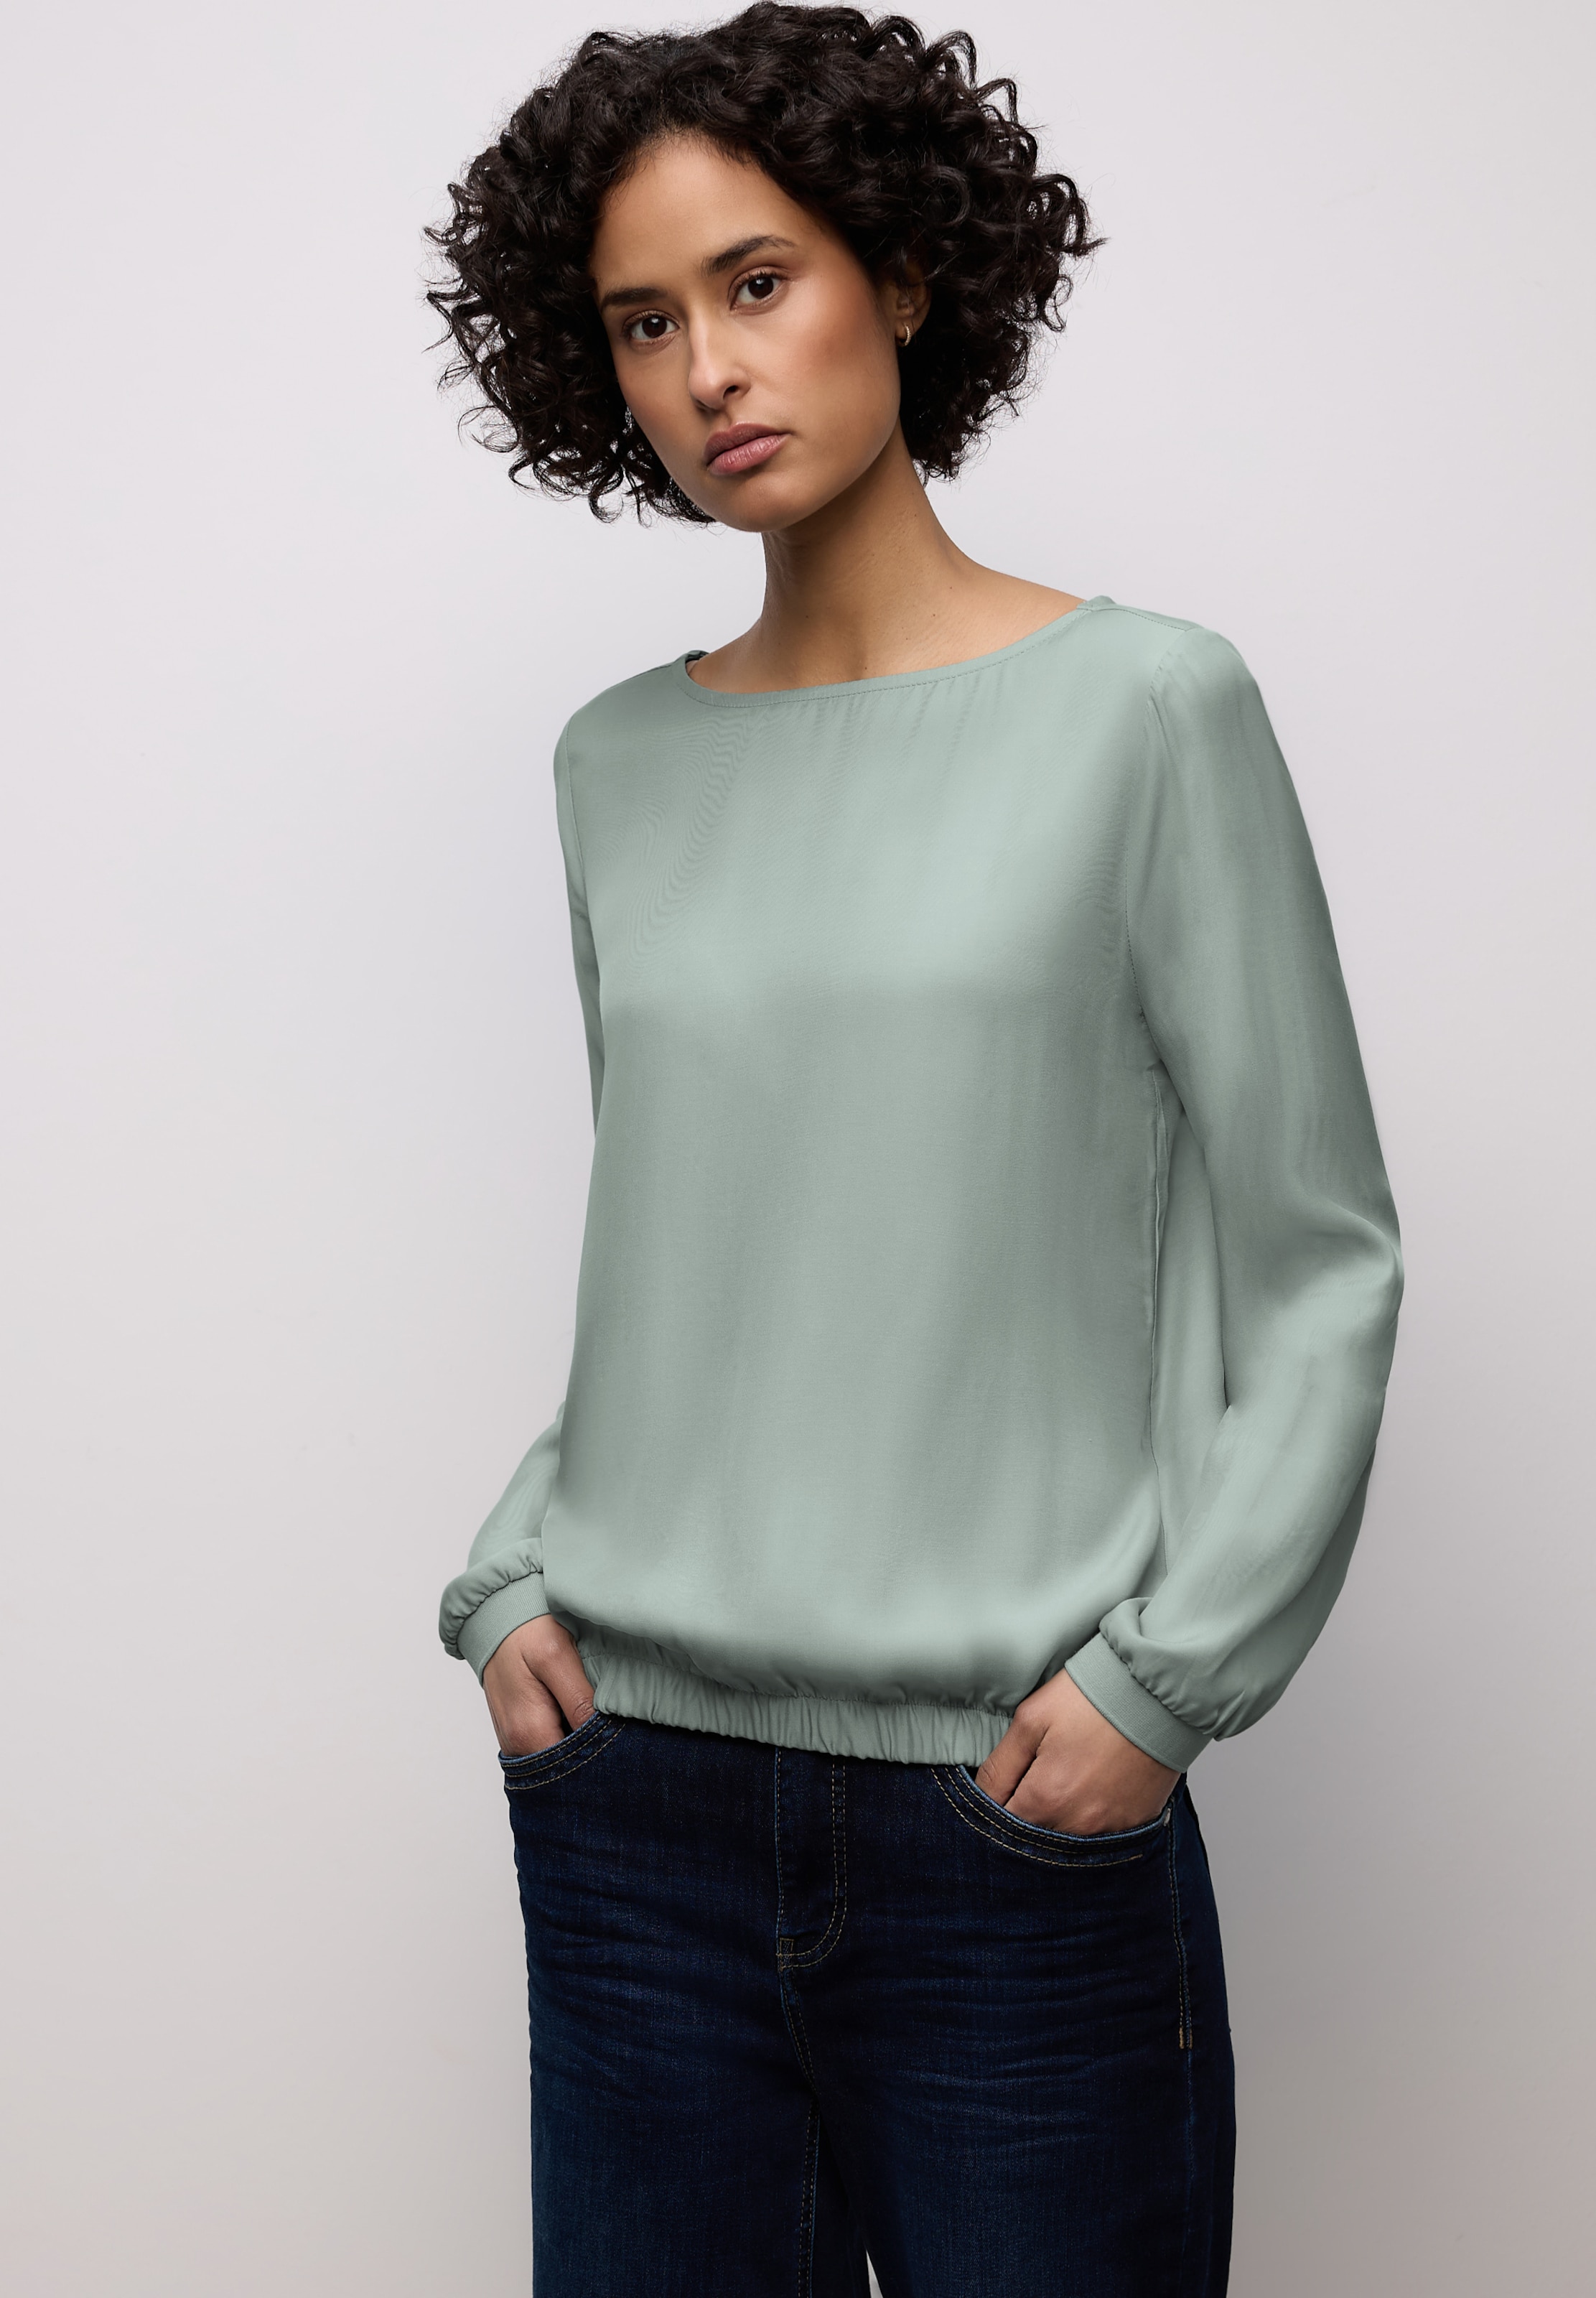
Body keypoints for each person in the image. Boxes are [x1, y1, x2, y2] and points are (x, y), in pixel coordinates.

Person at [425, 9, 1403, 2294]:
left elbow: (1320, 1256)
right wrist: (513, 1574)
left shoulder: (1146, 710)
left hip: (1006, 1820)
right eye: (642, 323)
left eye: (757, 283)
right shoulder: (616, 768)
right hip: (633, 1797)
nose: (705, 371)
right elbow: (706, 1245)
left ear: (911, 272)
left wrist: (1168, 1684)